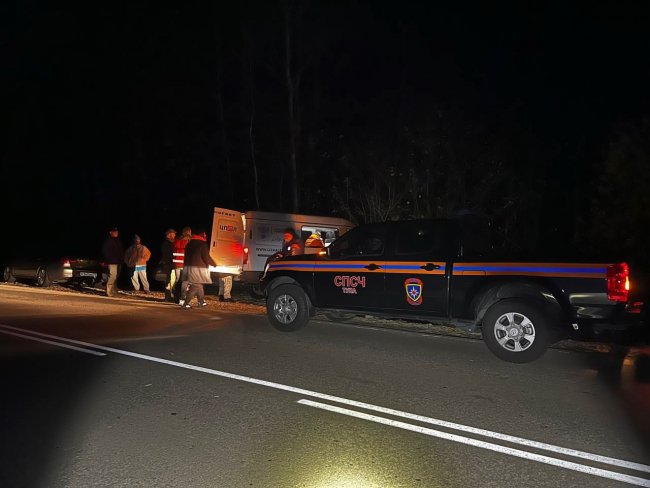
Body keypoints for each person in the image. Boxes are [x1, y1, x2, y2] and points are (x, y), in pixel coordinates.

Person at [180, 228, 216, 309]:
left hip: (188, 268)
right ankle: (186, 304)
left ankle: (201, 302)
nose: (206, 236)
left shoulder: (189, 244)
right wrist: (214, 264)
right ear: (202, 235)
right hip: (198, 268)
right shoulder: (202, 244)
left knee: (199, 286)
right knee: (195, 286)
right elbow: (206, 257)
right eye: (205, 234)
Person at [101, 227, 124, 297]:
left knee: (116, 276)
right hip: (112, 261)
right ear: (111, 232)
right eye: (114, 232)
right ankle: (108, 290)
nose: (116, 233)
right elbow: (105, 251)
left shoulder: (118, 241)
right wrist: (109, 259)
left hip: (118, 261)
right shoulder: (108, 241)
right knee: (112, 275)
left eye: (117, 232)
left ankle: (114, 290)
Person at [173, 226, 192, 305]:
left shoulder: (176, 240)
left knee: (177, 281)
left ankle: (176, 297)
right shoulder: (188, 242)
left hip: (177, 264)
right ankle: (182, 298)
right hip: (184, 264)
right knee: (184, 282)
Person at [160, 228, 176, 302]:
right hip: (169, 264)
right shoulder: (167, 243)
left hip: (170, 264)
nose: (174, 235)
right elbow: (167, 254)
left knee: (171, 281)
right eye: (173, 234)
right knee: (169, 281)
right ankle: (168, 297)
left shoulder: (170, 243)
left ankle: (169, 296)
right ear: (169, 234)